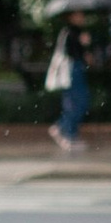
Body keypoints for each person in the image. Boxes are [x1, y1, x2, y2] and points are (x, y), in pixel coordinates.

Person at [45, 15, 91, 152]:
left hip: (76, 69)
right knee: (75, 101)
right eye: (78, 14)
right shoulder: (68, 32)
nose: (82, 17)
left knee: (80, 101)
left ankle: (67, 131)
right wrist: (82, 43)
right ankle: (66, 132)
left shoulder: (77, 32)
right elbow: (71, 53)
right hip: (71, 70)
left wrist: (84, 45)